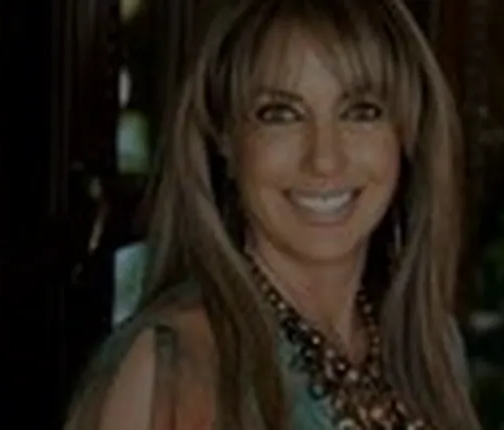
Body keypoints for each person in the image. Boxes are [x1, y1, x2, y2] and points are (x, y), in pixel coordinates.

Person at [63, 0, 480, 429]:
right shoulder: (172, 369)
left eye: (362, 112)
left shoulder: (430, 350)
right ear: (225, 137)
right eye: (281, 114)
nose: (324, 159)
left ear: (407, 134)